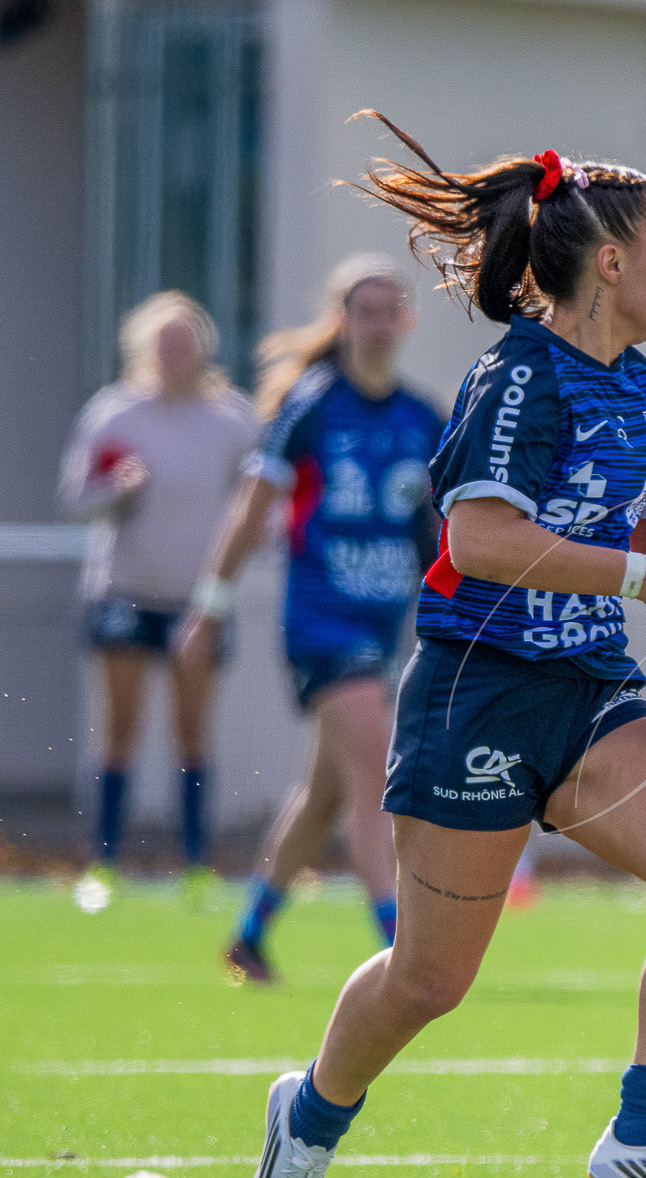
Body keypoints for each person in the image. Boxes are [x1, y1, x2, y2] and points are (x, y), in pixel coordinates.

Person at [245, 115, 646, 1178]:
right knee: (431, 981)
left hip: (585, 690)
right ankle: (313, 1113)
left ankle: (643, 1132)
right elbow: (479, 538)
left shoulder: (640, 389)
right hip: (475, 692)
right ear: (614, 262)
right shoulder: (517, 379)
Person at [188, 255, 443, 982]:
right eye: (365, 309)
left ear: (407, 320)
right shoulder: (310, 407)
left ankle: (250, 933)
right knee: (377, 775)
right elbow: (250, 512)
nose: (379, 321)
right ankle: (400, 948)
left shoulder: (424, 417)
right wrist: (210, 604)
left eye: (391, 307)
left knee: (325, 793)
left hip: (384, 631)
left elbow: (447, 530)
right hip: (322, 626)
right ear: (343, 320)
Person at [60, 292, 259, 903]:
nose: (175, 354)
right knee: (119, 729)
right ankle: (104, 864)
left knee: (192, 732)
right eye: (163, 343)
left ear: (204, 347)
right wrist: (114, 489)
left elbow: (259, 507)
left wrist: (227, 580)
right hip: (124, 591)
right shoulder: (115, 413)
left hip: (197, 603)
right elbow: (77, 498)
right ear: (144, 349)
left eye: (185, 341)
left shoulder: (231, 419)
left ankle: (196, 865)